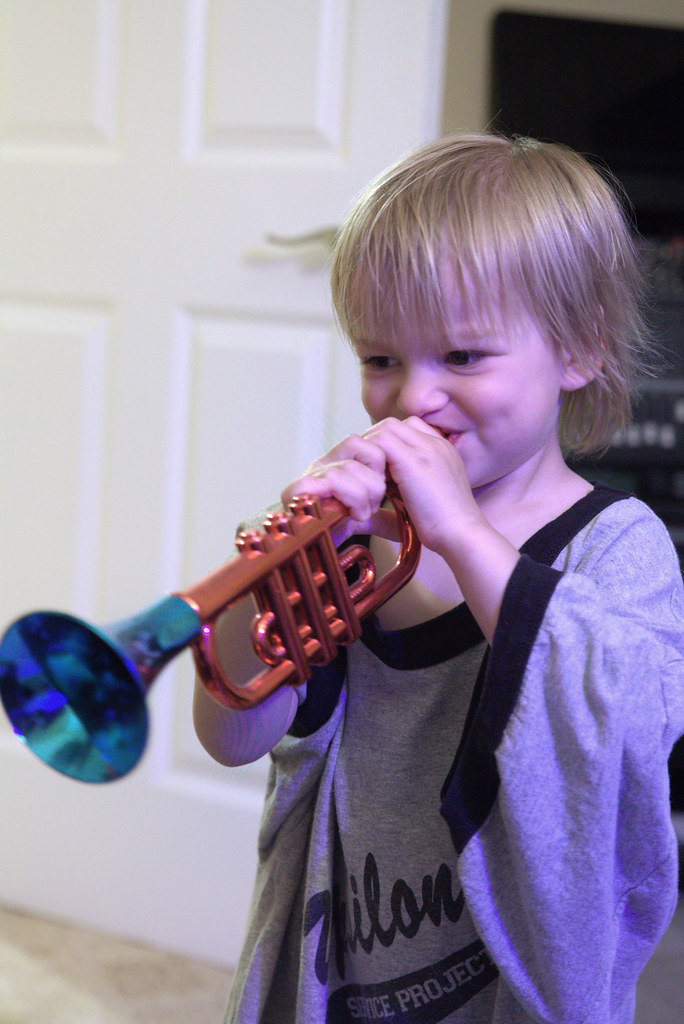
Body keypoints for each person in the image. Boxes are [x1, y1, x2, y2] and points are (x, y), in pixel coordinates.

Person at [193, 133, 684, 1023]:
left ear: (577, 351)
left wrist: (460, 531)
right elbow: (232, 738)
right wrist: (269, 570)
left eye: (462, 358)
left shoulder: (618, 542)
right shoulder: (358, 539)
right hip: (340, 970)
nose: (412, 398)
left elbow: (626, 721)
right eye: (382, 359)